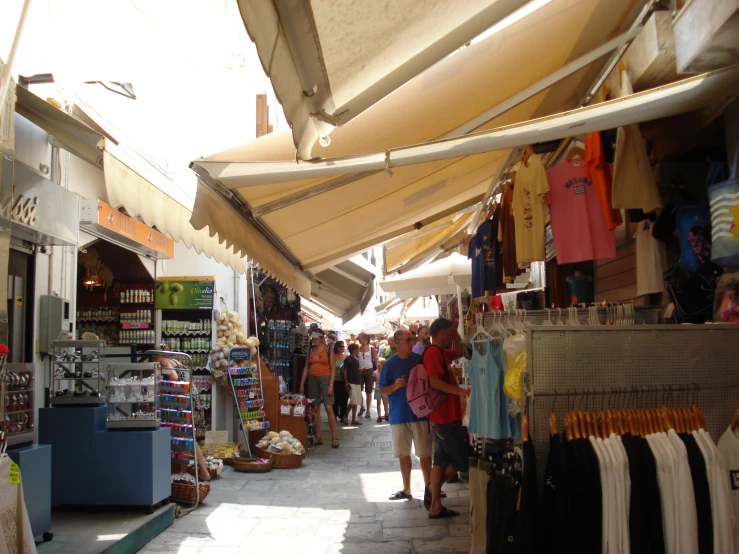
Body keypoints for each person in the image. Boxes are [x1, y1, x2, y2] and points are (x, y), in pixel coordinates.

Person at [380, 329, 432, 501]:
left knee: (424, 453)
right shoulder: (390, 364)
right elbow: (383, 389)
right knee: (403, 453)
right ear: (398, 342)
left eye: (412, 339)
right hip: (399, 414)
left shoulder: (419, 360)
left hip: (420, 413)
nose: (412, 342)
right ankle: (406, 488)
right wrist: (395, 386)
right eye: (409, 339)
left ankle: (430, 487)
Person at [424, 317, 469, 518]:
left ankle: (435, 505)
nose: (452, 335)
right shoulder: (433, 353)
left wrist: (457, 331)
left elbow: (459, 352)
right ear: (441, 332)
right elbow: (434, 382)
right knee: (461, 462)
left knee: (440, 460)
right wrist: (459, 392)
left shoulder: (441, 352)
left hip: (442, 417)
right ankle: (432, 489)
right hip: (444, 417)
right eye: (450, 332)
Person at [159, 358, 211, 481]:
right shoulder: (175, 360)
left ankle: (202, 472)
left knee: (187, 437)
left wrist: (160, 389)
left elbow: (174, 377)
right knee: (187, 437)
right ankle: (185, 471)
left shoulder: (164, 362)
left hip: (183, 402)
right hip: (192, 401)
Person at [299, 330, 340, 448]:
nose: (313, 339)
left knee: (328, 407)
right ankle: (318, 436)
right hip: (312, 379)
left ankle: (334, 437)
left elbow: (332, 368)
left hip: (325, 379)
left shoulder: (328, 350)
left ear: (321, 338)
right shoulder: (310, 349)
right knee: (315, 408)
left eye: (316, 338)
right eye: (312, 338)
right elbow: (307, 367)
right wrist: (302, 383)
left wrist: (331, 385)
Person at [356, 332, 377, 419]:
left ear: (364, 339)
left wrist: (376, 371)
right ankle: (362, 406)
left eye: (359, 338)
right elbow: (356, 359)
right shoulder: (358, 348)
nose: (358, 340)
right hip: (360, 371)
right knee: (358, 390)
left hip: (369, 370)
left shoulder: (372, 348)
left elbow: (375, 360)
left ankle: (368, 410)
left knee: (368, 391)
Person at [342, 343, 363, 425]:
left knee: (357, 400)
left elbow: (355, 370)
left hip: (357, 381)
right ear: (354, 350)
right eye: (358, 348)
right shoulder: (348, 359)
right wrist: (346, 381)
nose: (359, 350)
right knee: (353, 400)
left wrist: (360, 370)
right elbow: (345, 370)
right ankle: (345, 415)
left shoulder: (356, 360)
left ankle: (353, 419)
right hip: (351, 381)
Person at [332, 341, 349, 423]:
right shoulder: (333, 356)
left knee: (344, 399)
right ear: (336, 347)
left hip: (343, 381)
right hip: (334, 380)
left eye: (343, 346)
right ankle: (334, 415)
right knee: (335, 399)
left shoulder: (345, 357)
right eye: (340, 346)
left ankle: (343, 415)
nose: (342, 348)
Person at [373, 358, 389, 422]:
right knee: (378, 403)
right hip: (377, 389)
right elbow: (374, 380)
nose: (379, 364)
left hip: (384, 389)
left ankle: (386, 415)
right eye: (378, 362)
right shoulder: (375, 372)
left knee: (385, 402)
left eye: (381, 363)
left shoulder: (386, 372)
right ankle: (379, 416)